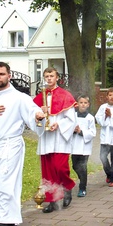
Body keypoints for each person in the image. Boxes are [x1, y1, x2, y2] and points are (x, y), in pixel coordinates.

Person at [0, 62, 45, 226]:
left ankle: (6, 221)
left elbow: (33, 112)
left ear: (9, 76)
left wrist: (38, 116)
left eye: (2, 74)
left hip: (11, 145)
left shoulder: (19, 97)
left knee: (7, 183)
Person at [33, 67, 77, 213]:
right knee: (48, 171)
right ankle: (52, 201)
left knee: (60, 167)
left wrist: (59, 124)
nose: (49, 78)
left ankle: (67, 187)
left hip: (59, 137)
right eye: (46, 76)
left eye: (51, 76)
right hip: (46, 137)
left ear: (57, 77)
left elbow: (71, 118)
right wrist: (40, 113)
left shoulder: (65, 95)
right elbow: (33, 116)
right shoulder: (40, 97)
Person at [95, 87, 113, 186]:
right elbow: (98, 119)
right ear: (107, 96)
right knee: (102, 157)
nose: (111, 97)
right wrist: (105, 116)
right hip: (104, 137)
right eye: (110, 95)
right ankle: (109, 174)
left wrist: (111, 116)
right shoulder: (102, 107)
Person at [71, 95, 96, 197]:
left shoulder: (90, 118)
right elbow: (68, 127)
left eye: (85, 103)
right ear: (77, 104)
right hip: (74, 145)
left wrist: (81, 131)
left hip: (84, 146)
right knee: (74, 166)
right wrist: (73, 130)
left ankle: (82, 188)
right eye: (81, 102)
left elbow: (92, 132)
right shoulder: (73, 116)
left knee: (83, 166)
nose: (83, 104)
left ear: (88, 105)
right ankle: (82, 179)